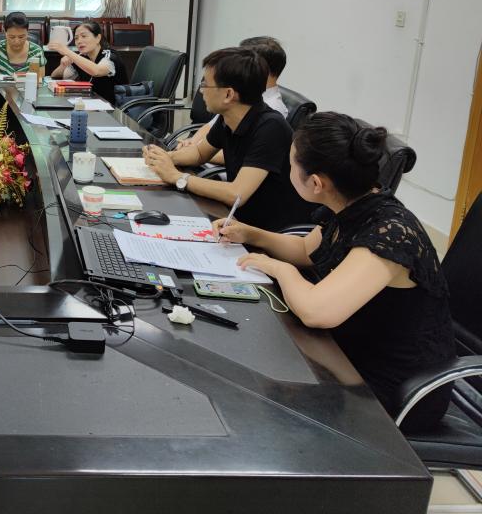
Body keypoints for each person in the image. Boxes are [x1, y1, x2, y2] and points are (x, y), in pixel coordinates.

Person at [217, 112, 455, 431]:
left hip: (394, 388)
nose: (287, 169)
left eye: (291, 164)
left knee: (253, 409)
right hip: (346, 353)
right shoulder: (352, 205)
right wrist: (251, 235)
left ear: (317, 183)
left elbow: (316, 312)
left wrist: (279, 268)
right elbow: (306, 250)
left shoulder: (389, 234)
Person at [143, 47, 314, 231]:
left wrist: (178, 177)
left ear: (228, 94)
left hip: (270, 231)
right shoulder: (229, 117)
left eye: (205, 84)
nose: (201, 91)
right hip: (238, 221)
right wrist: (164, 157)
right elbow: (199, 153)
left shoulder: (271, 127)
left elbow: (236, 194)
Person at [179, 35, 288, 153]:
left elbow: (242, 153)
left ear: (260, 67)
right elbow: (211, 126)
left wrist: (195, 149)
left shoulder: (273, 111)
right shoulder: (239, 95)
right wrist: (192, 142)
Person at [49, 20, 128, 104]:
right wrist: (63, 65)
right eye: (76, 38)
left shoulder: (110, 55)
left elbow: (96, 71)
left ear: (98, 38)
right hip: (91, 104)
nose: (79, 41)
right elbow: (55, 76)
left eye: (84, 36)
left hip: (114, 108)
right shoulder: (81, 57)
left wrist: (68, 52)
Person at [0, 11, 46, 82]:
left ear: (27, 32)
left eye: (21, 37)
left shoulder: (36, 50)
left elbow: (41, 76)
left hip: (27, 88)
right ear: (5, 33)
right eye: (12, 37)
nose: (17, 41)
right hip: (2, 88)